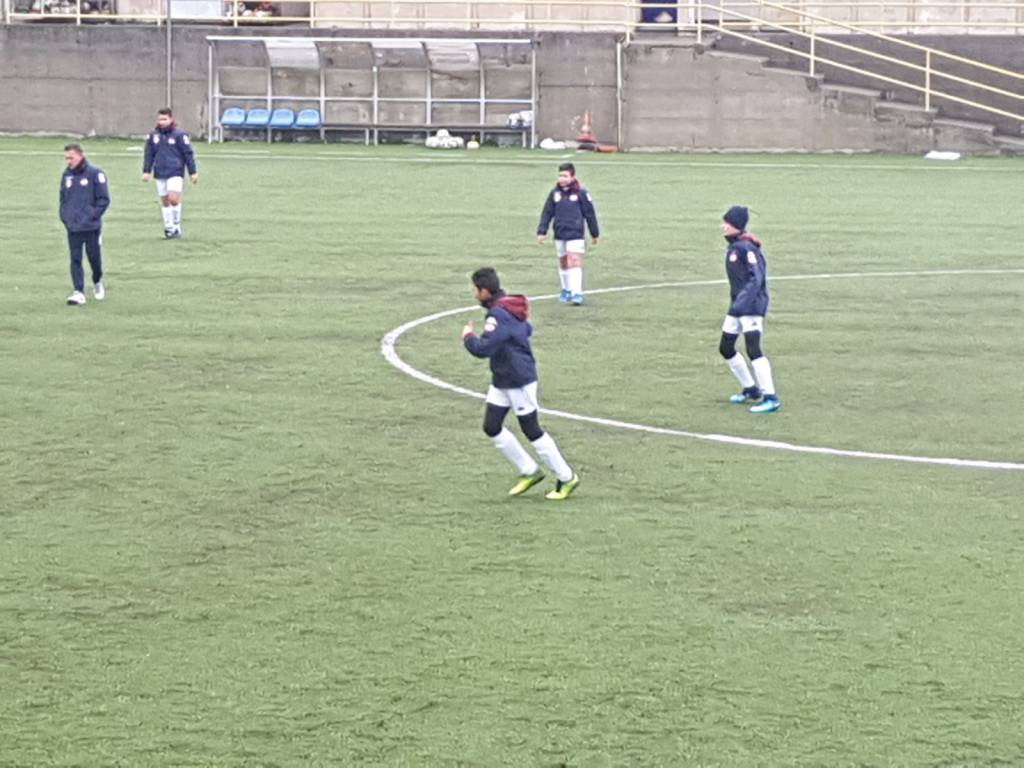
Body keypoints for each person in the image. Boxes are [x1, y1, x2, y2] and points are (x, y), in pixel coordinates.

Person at [462, 267, 581, 500]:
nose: (475, 295)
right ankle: (529, 471)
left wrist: (467, 337)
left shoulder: (498, 315)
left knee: (532, 430)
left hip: (518, 380)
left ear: (485, 291)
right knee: (491, 426)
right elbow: (526, 329)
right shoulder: (509, 308)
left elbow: (483, 349)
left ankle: (567, 477)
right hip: (502, 379)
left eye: (476, 291)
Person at [718, 206, 781, 413]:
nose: (722, 226)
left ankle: (771, 397)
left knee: (753, 349)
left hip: (751, 306)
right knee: (726, 347)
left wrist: (744, 302)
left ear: (735, 225)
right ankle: (750, 389)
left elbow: (756, 279)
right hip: (737, 306)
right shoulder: (736, 246)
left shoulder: (747, 249)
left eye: (726, 223)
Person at [536, 163, 599, 306]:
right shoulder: (554, 194)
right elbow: (547, 213)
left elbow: (590, 214)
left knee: (574, 259)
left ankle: (577, 293)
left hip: (576, 233)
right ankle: (566, 289)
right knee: (564, 261)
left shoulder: (581, 194)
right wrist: (542, 231)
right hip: (560, 233)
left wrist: (595, 233)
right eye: (560, 175)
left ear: (572, 177)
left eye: (565, 176)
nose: (562, 179)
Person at [59, 143, 110, 306]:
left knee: (93, 258)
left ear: (81, 155)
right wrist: (65, 216)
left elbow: (104, 200)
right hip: (73, 226)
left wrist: (92, 216)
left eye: (71, 158)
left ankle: (97, 280)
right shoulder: (67, 176)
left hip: (91, 226)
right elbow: (63, 198)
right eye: (66, 158)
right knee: (75, 258)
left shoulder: (95, 174)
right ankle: (78, 291)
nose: (68, 161)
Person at [142, 108, 198, 239]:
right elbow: (149, 154)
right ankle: (169, 228)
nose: (162, 122)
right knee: (165, 200)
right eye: (160, 119)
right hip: (160, 171)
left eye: (165, 119)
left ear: (171, 119)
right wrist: (146, 171)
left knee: (173, 199)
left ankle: (176, 225)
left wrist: (192, 172)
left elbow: (188, 154)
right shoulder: (154, 135)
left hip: (175, 171)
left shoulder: (179, 135)